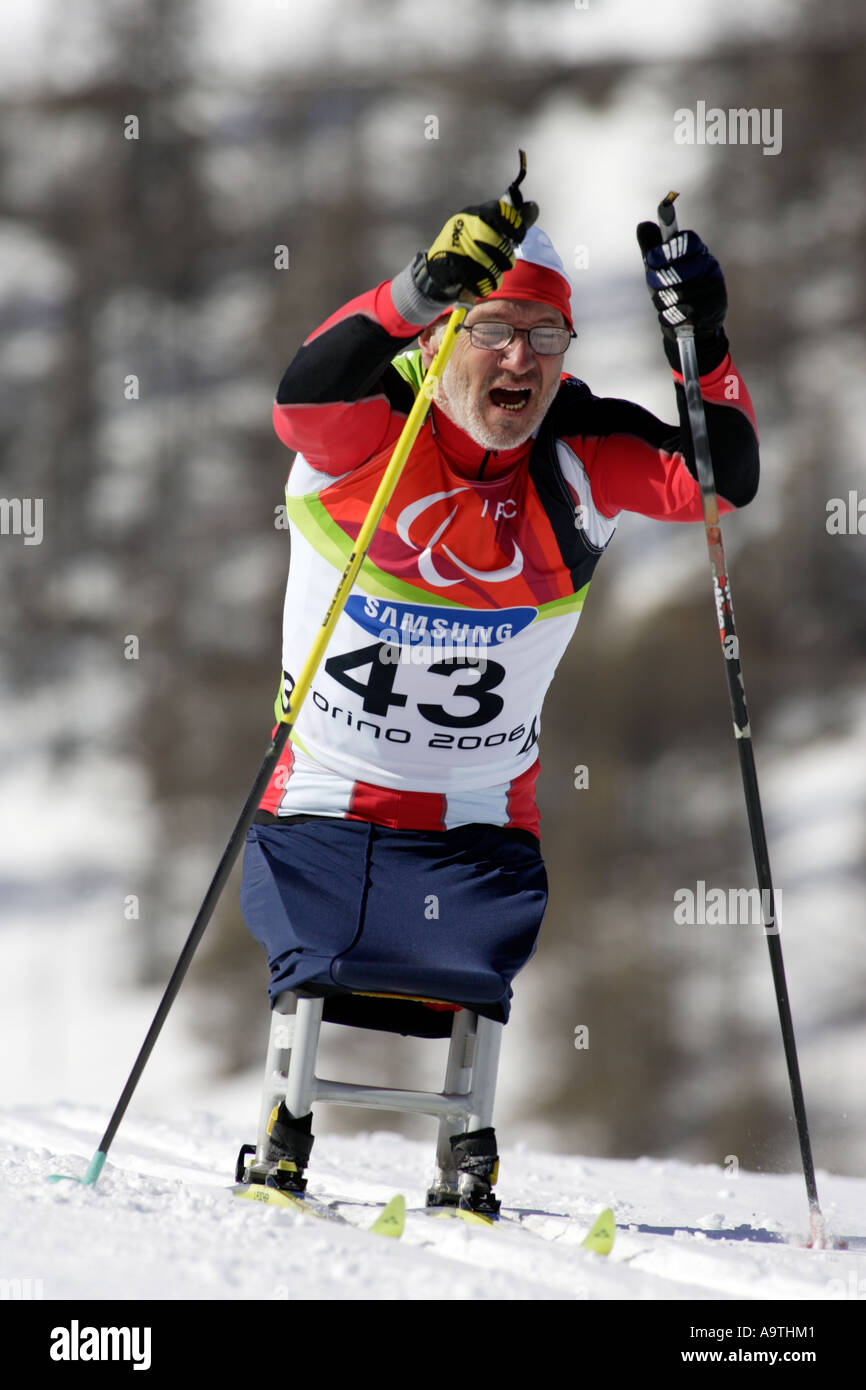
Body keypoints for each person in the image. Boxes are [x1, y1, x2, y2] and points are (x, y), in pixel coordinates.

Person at [239, 180, 759, 1204]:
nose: (520, 358)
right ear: (442, 339)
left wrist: (702, 342)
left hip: (479, 830)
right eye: (494, 328)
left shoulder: (576, 453)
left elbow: (718, 479)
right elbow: (299, 400)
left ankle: (466, 1142)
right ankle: (287, 1115)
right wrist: (414, 289)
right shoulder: (371, 428)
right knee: (320, 924)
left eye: (546, 334)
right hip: (321, 807)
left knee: (477, 944)